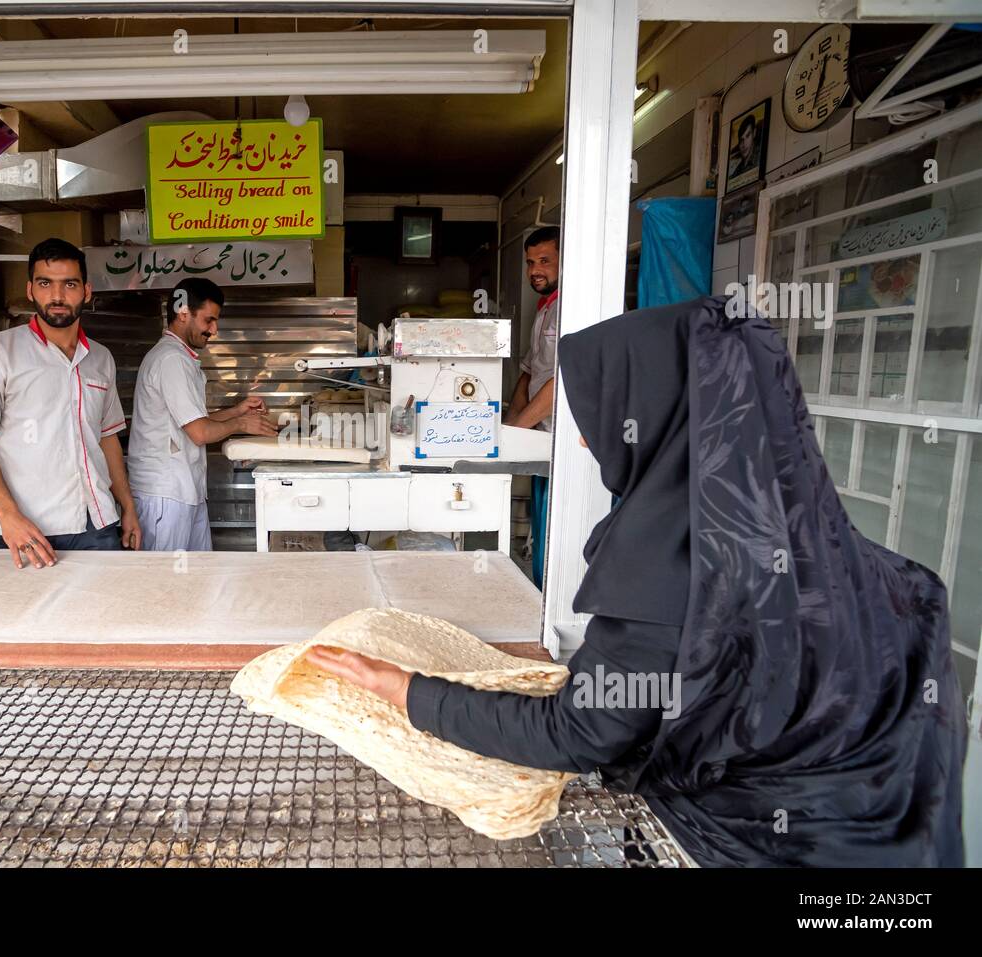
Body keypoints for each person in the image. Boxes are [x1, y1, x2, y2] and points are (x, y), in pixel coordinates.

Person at [305, 296, 966, 867]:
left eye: (601, 410)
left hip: (769, 843)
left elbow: (581, 734)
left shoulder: (674, 561)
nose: (589, 439)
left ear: (658, 409)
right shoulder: (812, 532)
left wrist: (404, 689)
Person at [0, 238, 141, 568]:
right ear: (30, 290)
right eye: (45, 283)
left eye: (69, 284)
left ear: (86, 291)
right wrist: (7, 515)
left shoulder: (100, 358)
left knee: (104, 615)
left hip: (98, 526)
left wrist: (127, 506)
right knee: (30, 619)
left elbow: (107, 438)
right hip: (27, 528)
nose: (57, 296)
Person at [127, 277, 276, 551]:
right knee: (167, 585)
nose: (214, 330)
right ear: (183, 313)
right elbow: (200, 433)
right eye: (209, 320)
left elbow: (194, 422)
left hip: (183, 490)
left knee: (194, 578)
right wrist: (242, 422)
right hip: (166, 494)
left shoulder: (180, 358)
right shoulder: (171, 360)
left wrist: (237, 409)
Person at [506, 225, 560, 589]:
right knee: (542, 529)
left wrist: (517, 432)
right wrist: (508, 429)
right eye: (530, 262)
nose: (534, 270)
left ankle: (557, 616)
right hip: (542, 439)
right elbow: (530, 372)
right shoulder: (545, 309)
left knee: (561, 535)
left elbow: (564, 381)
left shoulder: (578, 307)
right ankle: (540, 602)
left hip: (566, 439)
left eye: (544, 261)